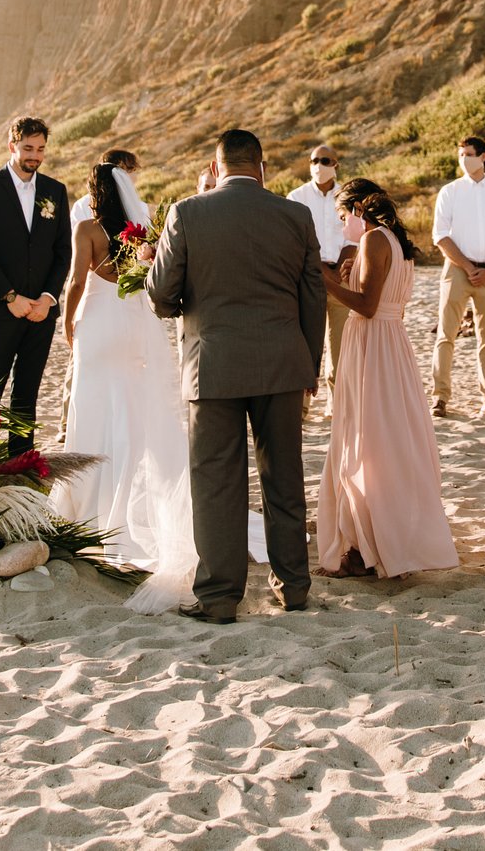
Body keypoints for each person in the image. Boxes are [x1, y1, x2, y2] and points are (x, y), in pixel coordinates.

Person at [55, 158, 261, 604]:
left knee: (90, 409)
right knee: (130, 411)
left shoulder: (86, 228)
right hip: (131, 324)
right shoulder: (141, 226)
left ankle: (86, 504)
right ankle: (128, 495)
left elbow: (75, 282)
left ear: (95, 190)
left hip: (97, 325)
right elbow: (153, 277)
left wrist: (67, 323)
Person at [145, 128, 329, 623]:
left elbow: (161, 295)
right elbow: (314, 298)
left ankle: (221, 596)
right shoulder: (296, 215)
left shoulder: (188, 212)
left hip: (213, 367)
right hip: (282, 365)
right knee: (284, 477)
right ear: (262, 167)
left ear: (216, 165)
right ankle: (292, 586)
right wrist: (309, 365)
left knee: (216, 483)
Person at [315, 178, 458, 579]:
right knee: (388, 439)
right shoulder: (396, 242)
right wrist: (349, 276)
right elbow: (382, 299)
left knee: (366, 443)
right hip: (392, 344)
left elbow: (367, 305)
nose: (343, 225)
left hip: (372, 345)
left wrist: (326, 280)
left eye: (344, 216)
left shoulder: (373, 240)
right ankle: (379, 538)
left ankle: (365, 549)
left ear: (359, 208)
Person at [0, 116, 74, 457]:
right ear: (12, 146)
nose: (35, 156)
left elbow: (63, 251)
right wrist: (8, 296)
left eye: (40, 149)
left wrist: (48, 298)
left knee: (27, 394)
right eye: (28, 148)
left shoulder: (55, 191)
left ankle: (20, 465)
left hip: (40, 314)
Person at [430, 135, 485, 420]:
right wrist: (467, 267)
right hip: (456, 269)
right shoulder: (449, 192)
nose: (463, 159)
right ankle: (440, 397)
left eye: (469, 154)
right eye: (460, 154)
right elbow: (440, 236)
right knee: (446, 334)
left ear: (483, 157)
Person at [287, 145, 350, 410]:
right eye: (314, 160)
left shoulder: (348, 196)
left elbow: (355, 234)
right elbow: (292, 240)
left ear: (336, 164)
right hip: (309, 277)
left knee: (340, 346)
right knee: (306, 343)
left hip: (343, 276)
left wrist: (339, 271)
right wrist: (323, 271)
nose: (318, 165)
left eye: (325, 160)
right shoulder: (296, 197)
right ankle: (301, 406)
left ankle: (337, 404)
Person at [68, 149, 146, 231]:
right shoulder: (82, 205)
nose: (134, 175)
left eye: (133, 170)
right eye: (130, 170)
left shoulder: (137, 205)